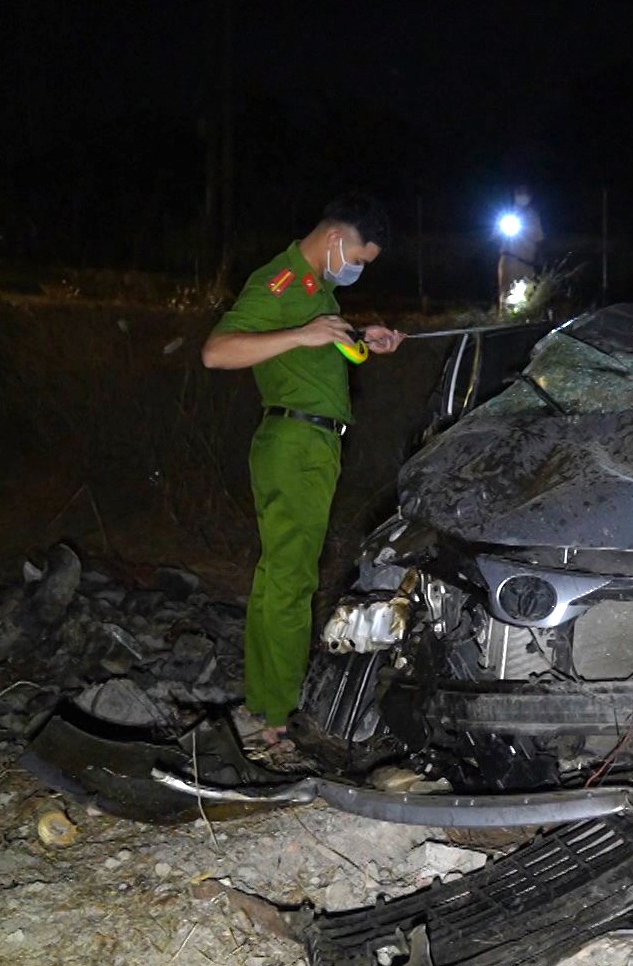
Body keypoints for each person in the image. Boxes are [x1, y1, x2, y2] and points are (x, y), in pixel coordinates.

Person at [201, 192, 406, 746]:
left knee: (280, 577)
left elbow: (317, 352)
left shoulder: (319, 291)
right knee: (292, 579)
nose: (358, 268)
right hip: (295, 441)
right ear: (336, 238)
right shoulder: (283, 282)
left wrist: (365, 339)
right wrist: (303, 333)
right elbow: (216, 352)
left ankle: (266, 704)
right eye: (360, 258)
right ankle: (279, 717)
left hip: (311, 443)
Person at [497, 185, 544, 309]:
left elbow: (539, 240)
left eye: (525, 192)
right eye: (519, 192)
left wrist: (538, 261)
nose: (522, 196)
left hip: (527, 263)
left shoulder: (533, 216)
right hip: (509, 259)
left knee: (526, 299)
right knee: (506, 297)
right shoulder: (508, 213)